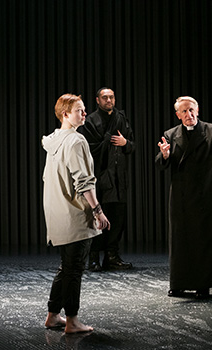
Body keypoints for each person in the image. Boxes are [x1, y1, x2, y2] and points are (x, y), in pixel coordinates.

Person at [156, 96, 212, 298]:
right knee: (180, 240)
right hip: (181, 196)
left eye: (191, 110)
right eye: (183, 111)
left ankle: (203, 284)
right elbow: (160, 162)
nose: (188, 114)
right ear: (178, 115)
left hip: (205, 194)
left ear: (197, 110)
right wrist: (165, 155)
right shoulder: (170, 134)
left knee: (203, 240)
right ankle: (179, 282)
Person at [42, 93, 110, 333]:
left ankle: (53, 316)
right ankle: (72, 320)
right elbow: (84, 181)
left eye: (83, 109)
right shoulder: (76, 140)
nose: (84, 113)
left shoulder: (54, 140)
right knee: (74, 270)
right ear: (65, 114)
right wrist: (98, 211)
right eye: (79, 110)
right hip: (74, 215)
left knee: (66, 266)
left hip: (57, 212)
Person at [78, 88, 135, 271]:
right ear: (98, 100)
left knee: (118, 217)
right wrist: (107, 140)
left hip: (119, 177)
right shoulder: (91, 121)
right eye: (105, 97)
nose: (109, 100)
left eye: (111, 97)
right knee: (97, 217)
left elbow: (132, 145)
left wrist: (126, 143)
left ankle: (112, 256)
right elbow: (88, 148)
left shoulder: (121, 118)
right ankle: (93, 257)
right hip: (100, 176)